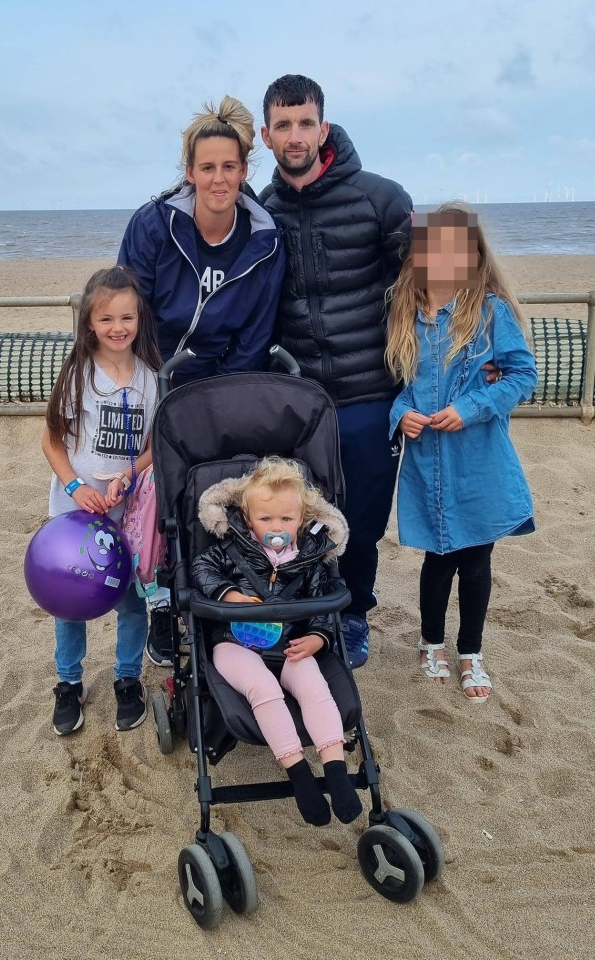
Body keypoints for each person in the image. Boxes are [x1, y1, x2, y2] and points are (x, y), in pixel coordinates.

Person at [119, 95, 286, 667]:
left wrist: (217, 401)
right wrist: (154, 387)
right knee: (156, 494)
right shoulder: (153, 225)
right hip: (154, 373)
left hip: (221, 380)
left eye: (230, 167)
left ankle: (221, 592)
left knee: (215, 485)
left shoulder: (264, 240)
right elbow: (129, 309)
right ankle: (162, 604)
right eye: (208, 167)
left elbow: (255, 334)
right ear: (189, 172)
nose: (219, 178)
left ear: (245, 170)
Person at [256, 75, 413, 669]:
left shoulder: (383, 197)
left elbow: (433, 287)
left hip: (372, 393)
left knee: (363, 521)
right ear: (267, 135)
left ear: (323, 128)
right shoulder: (262, 212)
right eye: (282, 125)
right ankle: (305, 610)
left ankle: (351, 615)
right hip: (298, 400)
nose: (294, 135)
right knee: (294, 517)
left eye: (305, 123)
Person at [386, 203, 538, 702]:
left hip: (478, 462)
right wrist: (400, 415)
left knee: (475, 561)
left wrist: (471, 406)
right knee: (438, 558)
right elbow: (404, 387)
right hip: (427, 463)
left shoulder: (489, 312)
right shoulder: (404, 314)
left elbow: (522, 375)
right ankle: (431, 642)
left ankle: (470, 651)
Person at [192, 457, 362, 826]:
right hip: (235, 642)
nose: (276, 526)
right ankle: (299, 773)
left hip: (292, 643)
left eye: (286, 519)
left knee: (315, 685)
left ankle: (335, 769)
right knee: (262, 686)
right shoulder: (230, 547)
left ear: (301, 520)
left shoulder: (310, 556)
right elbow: (200, 569)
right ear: (247, 517)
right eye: (265, 519)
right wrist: (229, 594)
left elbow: (322, 602)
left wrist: (318, 638)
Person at [41, 266, 162, 735]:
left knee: (132, 603)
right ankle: (69, 681)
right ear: (90, 322)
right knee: (69, 603)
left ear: (139, 319)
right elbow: (51, 440)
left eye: (127, 318)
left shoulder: (151, 378)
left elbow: (154, 444)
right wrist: (76, 486)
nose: (118, 328)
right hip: (76, 515)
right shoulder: (79, 374)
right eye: (107, 318)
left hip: (125, 515)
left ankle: (127, 678)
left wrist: (133, 473)